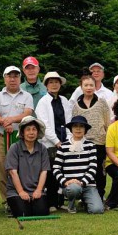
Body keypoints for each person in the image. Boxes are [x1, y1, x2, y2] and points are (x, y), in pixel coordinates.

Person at [0, 66, 34, 213]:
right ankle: (7, 201)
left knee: (22, 169)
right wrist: (5, 123)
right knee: (3, 168)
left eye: (16, 76)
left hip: (21, 137)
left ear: (20, 78)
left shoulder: (27, 96)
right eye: (10, 76)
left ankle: (22, 197)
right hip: (1, 137)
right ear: (5, 78)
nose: (13, 79)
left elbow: (27, 113)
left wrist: (10, 120)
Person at [35, 72, 72, 211]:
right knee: (51, 173)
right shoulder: (43, 102)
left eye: (57, 82)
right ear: (46, 85)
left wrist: (68, 140)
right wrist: (57, 142)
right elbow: (44, 125)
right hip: (50, 143)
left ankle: (61, 201)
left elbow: (69, 121)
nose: (54, 84)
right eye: (51, 82)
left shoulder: (64, 100)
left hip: (65, 141)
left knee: (63, 171)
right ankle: (51, 203)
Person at [53, 116, 105, 214]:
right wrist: (65, 182)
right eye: (75, 126)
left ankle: (85, 201)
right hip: (69, 186)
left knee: (97, 210)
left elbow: (93, 168)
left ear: (85, 130)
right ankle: (71, 205)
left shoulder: (91, 146)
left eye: (81, 126)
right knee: (74, 188)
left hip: (88, 185)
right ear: (71, 129)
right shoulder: (63, 146)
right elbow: (56, 168)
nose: (78, 129)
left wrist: (82, 182)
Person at [71, 75, 111, 199]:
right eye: (86, 85)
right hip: (83, 143)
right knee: (84, 169)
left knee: (99, 170)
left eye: (91, 85)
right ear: (81, 87)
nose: (89, 88)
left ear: (95, 86)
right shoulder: (76, 105)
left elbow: (107, 122)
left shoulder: (101, 102)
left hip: (99, 142)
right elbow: (74, 125)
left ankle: (100, 194)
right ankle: (84, 197)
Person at [5, 116, 50, 217]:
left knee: (42, 212)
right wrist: (21, 191)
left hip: (36, 190)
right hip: (16, 191)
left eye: (34, 129)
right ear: (22, 132)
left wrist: (38, 190)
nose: (31, 132)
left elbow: (44, 171)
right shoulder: (14, 148)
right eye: (28, 129)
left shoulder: (42, 149)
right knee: (23, 213)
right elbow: (13, 172)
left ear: (38, 132)